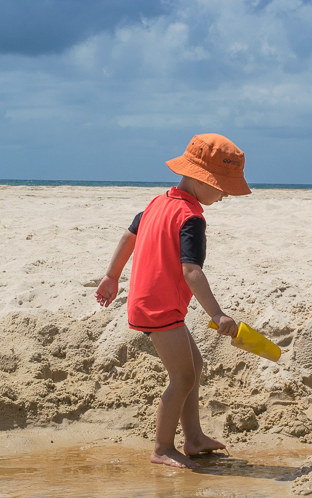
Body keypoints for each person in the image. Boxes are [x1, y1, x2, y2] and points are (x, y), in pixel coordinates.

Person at [95, 134, 250, 468]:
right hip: (158, 307)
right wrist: (218, 314)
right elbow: (191, 271)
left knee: (194, 367)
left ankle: (193, 439)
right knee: (182, 378)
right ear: (199, 179)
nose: (223, 195)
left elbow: (128, 236)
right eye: (221, 187)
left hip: (148, 300)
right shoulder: (191, 218)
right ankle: (162, 448)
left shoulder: (157, 202)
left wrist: (112, 276)